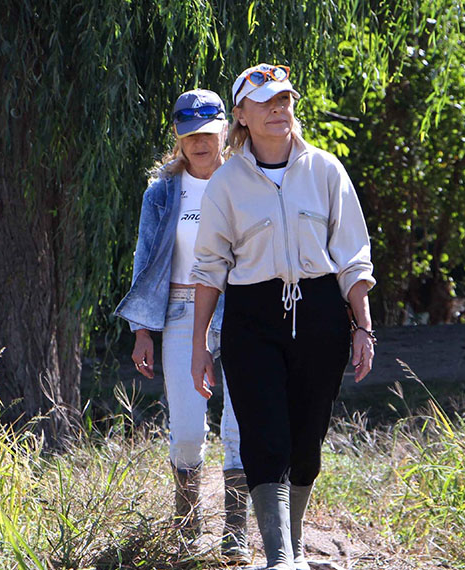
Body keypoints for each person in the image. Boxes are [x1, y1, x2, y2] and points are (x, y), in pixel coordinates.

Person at [189, 63, 376, 570]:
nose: (279, 109)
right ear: (242, 116)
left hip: (319, 315)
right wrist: (200, 343)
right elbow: (210, 267)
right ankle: (279, 558)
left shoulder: (326, 170)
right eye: (267, 102)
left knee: (306, 435)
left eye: (286, 100)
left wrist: (362, 325)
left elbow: (353, 255)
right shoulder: (226, 182)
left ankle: (291, 543)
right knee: (263, 432)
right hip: (252, 317)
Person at [112, 89, 250, 560]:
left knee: (239, 424)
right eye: (189, 134)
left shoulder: (242, 180)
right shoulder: (162, 192)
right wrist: (141, 331)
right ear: (178, 136)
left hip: (239, 311)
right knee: (188, 429)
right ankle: (186, 525)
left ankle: (235, 532)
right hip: (179, 309)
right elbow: (145, 260)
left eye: (208, 133)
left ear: (223, 133)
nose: (199, 142)